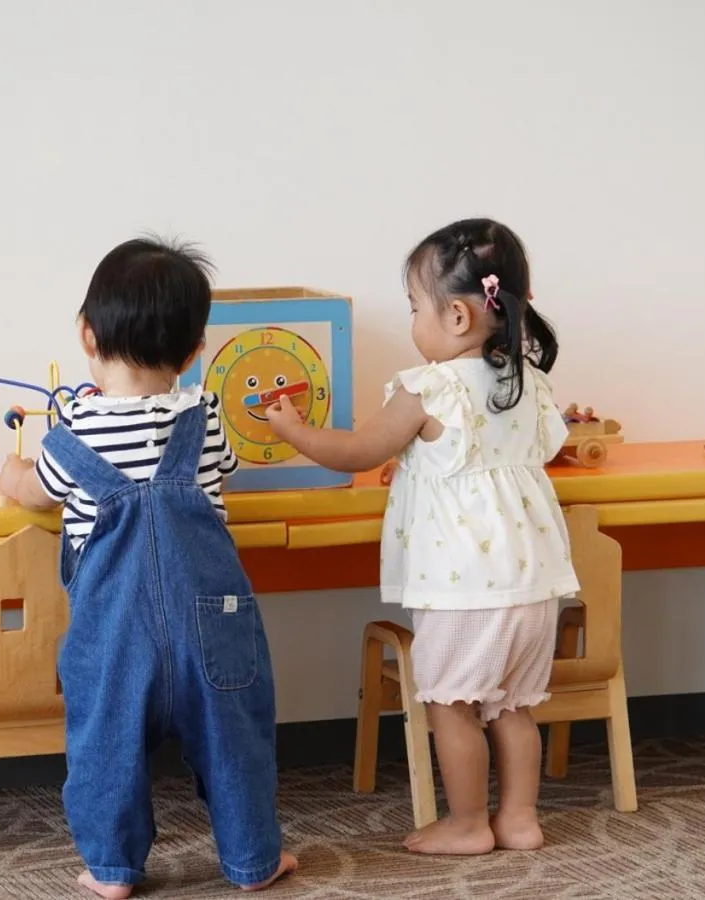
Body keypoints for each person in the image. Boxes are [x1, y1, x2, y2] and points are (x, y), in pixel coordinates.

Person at [267, 218, 578, 855]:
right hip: (534, 584)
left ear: (459, 317)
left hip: (466, 590)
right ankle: (519, 819)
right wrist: (414, 460)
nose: (412, 321)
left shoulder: (430, 387)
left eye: (415, 307)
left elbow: (354, 451)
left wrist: (292, 430)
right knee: (513, 708)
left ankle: (466, 824)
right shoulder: (527, 383)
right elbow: (485, 458)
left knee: (452, 705)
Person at [0, 237, 297, 897]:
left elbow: (33, 492)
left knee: (104, 750)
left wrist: (10, 474)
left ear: (86, 334)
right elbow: (224, 477)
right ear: (194, 352)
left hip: (114, 635)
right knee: (235, 744)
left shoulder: (69, 436)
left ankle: (111, 868)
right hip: (213, 629)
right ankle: (254, 861)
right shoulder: (207, 421)